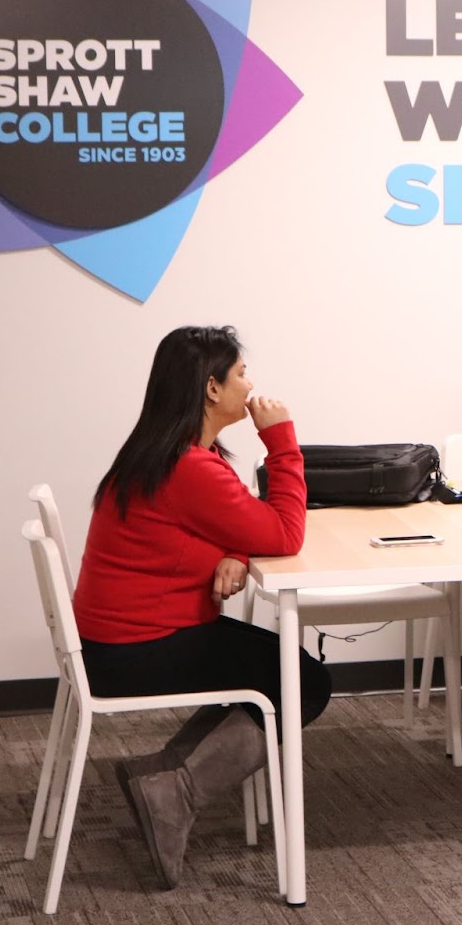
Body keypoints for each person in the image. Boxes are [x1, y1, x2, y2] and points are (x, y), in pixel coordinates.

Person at [71, 325, 332, 888]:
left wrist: (236, 551)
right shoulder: (190, 466)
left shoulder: (172, 452)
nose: (251, 384)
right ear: (211, 389)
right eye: (240, 374)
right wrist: (282, 440)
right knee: (302, 681)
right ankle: (175, 792)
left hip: (118, 642)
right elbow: (285, 534)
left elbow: (235, 520)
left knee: (277, 669)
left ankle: (165, 774)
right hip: (137, 651)